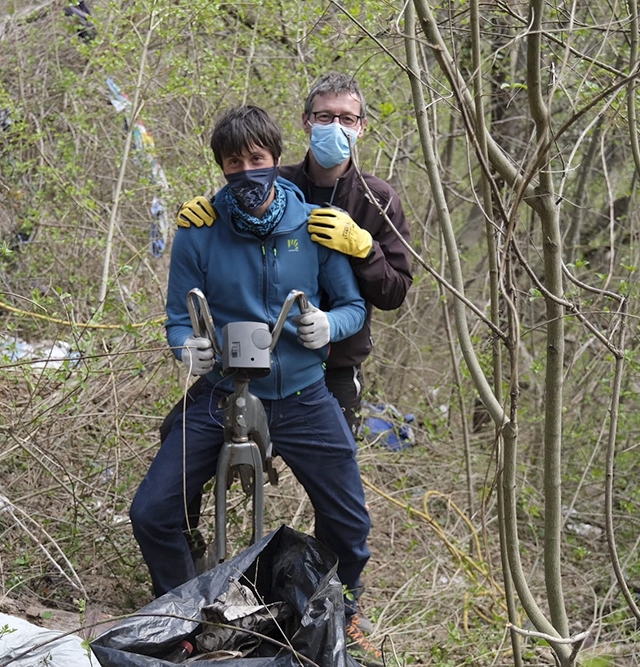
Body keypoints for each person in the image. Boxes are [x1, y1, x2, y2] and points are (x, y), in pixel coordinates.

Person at [129, 105, 381, 665]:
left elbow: (353, 306)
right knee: (152, 510)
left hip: (302, 393)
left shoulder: (314, 225)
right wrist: (185, 347)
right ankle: (187, 617)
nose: (247, 172)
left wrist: (327, 327)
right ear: (221, 167)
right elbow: (177, 315)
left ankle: (337, 613)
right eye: (234, 162)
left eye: (257, 159)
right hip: (222, 389)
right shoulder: (199, 231)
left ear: (275, 158)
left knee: (349, 521)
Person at [179, 72, 413, 436]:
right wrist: (203, 209)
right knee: (175, 437)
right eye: (324, 117)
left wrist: (364, 248)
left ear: (361, 127)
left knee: (337, 468)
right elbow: (234, 200)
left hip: (335, 365)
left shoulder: (378, 200)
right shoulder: (274, 179)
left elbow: (394, 293)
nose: (335, 126)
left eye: (346, 118)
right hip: (254, 360)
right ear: (306, 122)